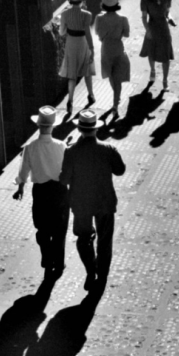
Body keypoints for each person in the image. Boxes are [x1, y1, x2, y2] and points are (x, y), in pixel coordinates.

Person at [60, 109, 126, 291]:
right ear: (96, 129)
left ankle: (91, 270)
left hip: (81, 204)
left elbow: (64, 180)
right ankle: (102, 275)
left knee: (83, 238)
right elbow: (120, 170)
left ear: (79, 130)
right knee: (105, 240)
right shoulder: (108, 149)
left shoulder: (71, 152)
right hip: (105, 202)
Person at [12, 106, 68, 275]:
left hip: (41, 192)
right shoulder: (62, 146)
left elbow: (24, 171)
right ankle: (58, 263)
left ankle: (46, 255)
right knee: (60, 229)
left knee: (42, 227)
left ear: (38, 126)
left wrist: (20, 188)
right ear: (53, 126)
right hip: (59, 192)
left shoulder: (30, 147)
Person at [59, 0, 96, 115]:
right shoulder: (87, 14)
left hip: (71, 43)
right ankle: (91, 95)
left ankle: (70, 100)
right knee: (87, 71)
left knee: (72, 74)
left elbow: (62, 32)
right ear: (82, 1)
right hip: (83, 43)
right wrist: (92, 48)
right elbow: (88, 33)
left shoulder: (64, 13)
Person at [95, 0, 130, 117]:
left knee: (110, 75)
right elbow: (126, 34)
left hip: (106, 50)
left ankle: (116, 97)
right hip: (118, 48)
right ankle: (116, 104)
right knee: (118, 78)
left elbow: (99, 35)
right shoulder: (123, 19)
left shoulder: (99, 18)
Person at [139, 0, 174, 90]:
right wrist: (147, 30)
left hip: (164, 29)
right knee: (151, 52)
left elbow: (167, 13)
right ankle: (153, 70)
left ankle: (165, 80)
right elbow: (144, 17)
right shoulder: (146, 0)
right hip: (152, 28)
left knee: (166, 55)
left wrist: (170, 19)